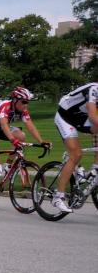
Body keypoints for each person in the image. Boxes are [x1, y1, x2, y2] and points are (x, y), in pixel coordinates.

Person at [0, 86, 51, 203]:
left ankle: (8, 165)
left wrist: (41, 141)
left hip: (2, 129)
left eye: (27, 102)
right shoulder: (5, 106)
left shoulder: (23, 110)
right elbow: (4, 125)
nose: (25, 105)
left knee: (22, 136)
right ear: (15, 100)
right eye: (23, 102)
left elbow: (30, 125)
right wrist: (13, 140)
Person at [53, 82, 98, 213]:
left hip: (79, 117)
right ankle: (58, 196)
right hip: (65, 116)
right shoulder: (94, 89)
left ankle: (92, 170)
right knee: (76, 154)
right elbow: (93, 116)